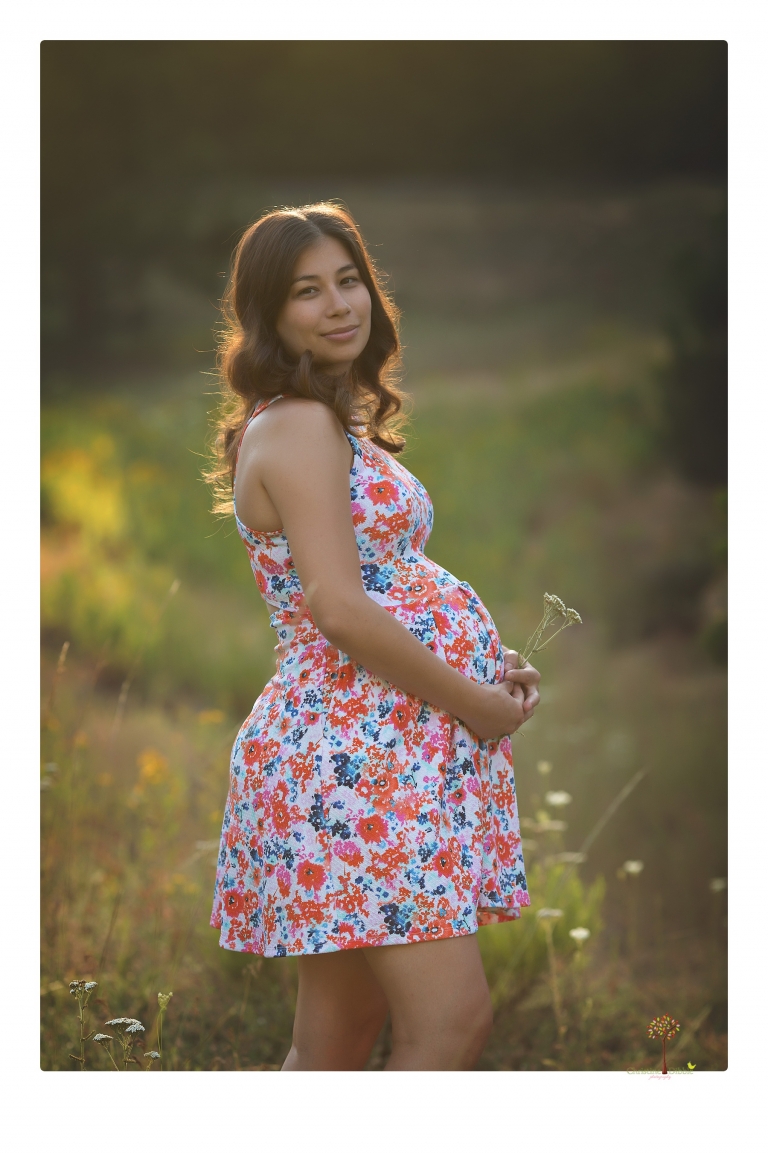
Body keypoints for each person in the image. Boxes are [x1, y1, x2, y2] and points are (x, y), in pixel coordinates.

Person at [206, 202, 540, 1071]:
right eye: (308, 291)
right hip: (352, 759)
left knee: (336, 1043)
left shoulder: (325, 421)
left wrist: (479, 658)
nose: (340, 304)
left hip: (381, 742)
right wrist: (473, 703)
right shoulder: (298, 425)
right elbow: (339, 608)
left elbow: (385, 589)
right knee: (451, 1022)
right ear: (269, 316)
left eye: (348, 280)